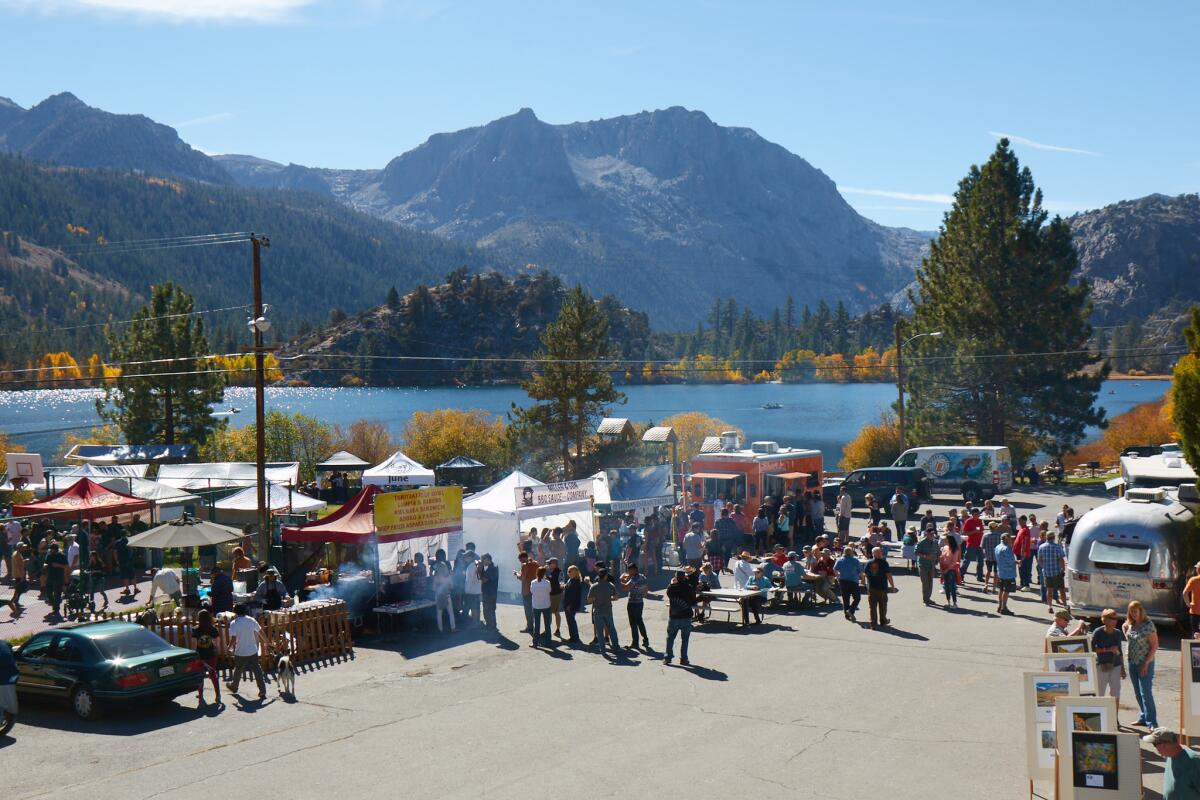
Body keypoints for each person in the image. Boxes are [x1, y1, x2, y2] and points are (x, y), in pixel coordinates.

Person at [1124, 600, 1159, 728]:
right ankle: (1143, 717)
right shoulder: (1130, 624)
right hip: (1132, 662)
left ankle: (1152, 723)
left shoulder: (1148, 625)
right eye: (1131, 611)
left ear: (1140, 611)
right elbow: (1125, 630)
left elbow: (1155, 645)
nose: (1133, 614)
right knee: (1138, 692)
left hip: (1145, 663)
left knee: (1146, 693)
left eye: (1135, 611)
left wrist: (1146, 662)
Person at [1143, 728, 1200, 798]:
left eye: (1154, 744)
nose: (1155, 748)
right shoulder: (1170, 755)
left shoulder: (1193, 761)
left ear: (1164, 745)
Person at [226, 603, 266, 699]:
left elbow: (233, 639)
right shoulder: (251, 620)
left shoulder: (234, 623)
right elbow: (260, 631)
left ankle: (234, 686)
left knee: (238, 670)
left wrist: (229, 647)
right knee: (257, 669)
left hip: (241, 651)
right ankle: (262, 690)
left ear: (235, 612)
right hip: (252, 650)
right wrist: (267, 642)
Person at [1091, 608, 1126, 707]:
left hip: (1116, 666)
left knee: (1115, 694)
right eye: (1111, 618)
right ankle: (1098, 716)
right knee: (1099, 693)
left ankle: (1114, 719)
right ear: (1104, 619)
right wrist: (1108, 649)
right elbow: (1091, 649)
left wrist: (1122, 669)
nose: (1115, 620)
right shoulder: (1098, 632)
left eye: (1115, 618)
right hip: (1101, 665)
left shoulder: (1118, 633)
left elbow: (1120, 652)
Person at [664, 569, 696, 665]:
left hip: (674, 616)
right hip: (686, 616)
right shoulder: (689, 587)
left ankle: (668, 657)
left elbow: (668, 592)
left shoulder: (671, 588)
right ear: (684, 577)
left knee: (670, 638)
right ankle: (683, 658)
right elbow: (693, 601)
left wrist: (671, 583)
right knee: (685, 639)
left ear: (676, 578)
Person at [587, 568, 621, 656]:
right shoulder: (610, 585)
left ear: (599, 576)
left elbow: (589, 600)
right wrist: (609, 598)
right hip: (608, 610)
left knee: (599, 630)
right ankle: (616, 647)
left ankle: (602, 649)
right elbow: (616, 597)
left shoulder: (594, 586)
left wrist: (596, 598)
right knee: (611, 629)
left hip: (597, 610)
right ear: (606, 576)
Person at [192, 608, 221, 705]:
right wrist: (215, 648)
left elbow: (194, 644)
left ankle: (200, 696)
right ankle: (218, 695)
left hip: (200, 656)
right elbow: (217, 641)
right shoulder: (212, 629)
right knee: (213, 675)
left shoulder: (196, 630)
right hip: (211, 654)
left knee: (200, 676)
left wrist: (194, 654)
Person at [621, 562, 650, 650]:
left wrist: (621, 580)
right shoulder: (642, 576)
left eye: (629, 570)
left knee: (633, 623)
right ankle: (645, 639)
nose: (628, 572)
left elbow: (626, 587)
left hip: (633, 603)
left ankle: (635, 642)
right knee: (639, 621)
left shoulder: (634, 578)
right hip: (640, 602)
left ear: (633, 570)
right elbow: (646, 589)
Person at [863, 546, 894, 629]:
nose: (881, 553)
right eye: (880, 552)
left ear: (873, 554)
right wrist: (892, 586)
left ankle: (873, 623)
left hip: (872, 588)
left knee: (872, 606)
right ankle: (883, 621)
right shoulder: (884, 563)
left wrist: (866, 583)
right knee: (883, 605)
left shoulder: (868, 563)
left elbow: (865, 574)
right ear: (879, 553)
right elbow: (888, 575)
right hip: (882, 587)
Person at [1037, 531, 1068, 613]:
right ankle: (1065, 605)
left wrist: (1044, 567)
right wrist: (1063, 569)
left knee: (1049, 590)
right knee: (1061, 590)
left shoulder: (1041, 547)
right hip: (1057, 572)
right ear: (1053, 537)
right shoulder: (1057, 547)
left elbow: (1039, 560)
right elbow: (1061, 559)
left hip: (1047, 572)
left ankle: (1050, 606)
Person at [834, 546, 862, 621]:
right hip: (853, 581)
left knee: (846, 598)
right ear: (851, 553)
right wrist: (859, 578)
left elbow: (835, 569)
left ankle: (846, 614)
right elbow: (860, 571)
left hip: (843, 581)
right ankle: (851, 610)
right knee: (857, 598)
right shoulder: (855, 561)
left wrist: (838, 577)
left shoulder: (840, 560)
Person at [994, 533, 1018, 615]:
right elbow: (1010, 561)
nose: (1011, 540)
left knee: (1001, 590)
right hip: (1008, 573)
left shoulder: (997, 547)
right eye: (1010, 539)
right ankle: (1004, 608)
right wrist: (1017, 562)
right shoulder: (1006, 549)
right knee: (1006, 591)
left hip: (1000, 571)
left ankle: (1000, 606)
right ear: (1005, 539)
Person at [431, 550, 455, 632]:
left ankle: (440, 630)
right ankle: (453, 628)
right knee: (450, 613)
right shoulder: (448, 576)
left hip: (438, 596)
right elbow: (452, 586)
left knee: (439, 614)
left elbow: (433, 588)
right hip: (447, 595)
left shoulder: (436, 577)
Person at [562, 564, 586, 644]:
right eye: (568, 571)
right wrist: (564, 586)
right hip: (568, 604)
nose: (568, 573)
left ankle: (574, 638)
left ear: (574, 572)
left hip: (571, 605)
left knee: (571, 621)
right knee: (570, 621)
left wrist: (569, 605)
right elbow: (568, 589)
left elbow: (573, 595)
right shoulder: (571, 580)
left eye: (570, 571)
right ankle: (573, 637)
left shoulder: (575, 582)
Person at [528, 566, 552, 647]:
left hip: (536, 605)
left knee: (537, 625)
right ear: (544, 574)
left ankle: (535, 643)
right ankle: (548, 642)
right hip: (546, 605)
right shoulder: (547, 582)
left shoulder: (533, 582)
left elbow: (531, 591)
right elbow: (549, 591)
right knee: (547, 625)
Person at [915, 528, 939, 605]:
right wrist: (925, 556)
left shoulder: (935, 542)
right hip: (923, 565)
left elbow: (938, 551)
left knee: (930, 582)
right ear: (927, 534)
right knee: (925, 583)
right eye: (931, 534)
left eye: (933, 534)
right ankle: (925, 599)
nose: (933, 535)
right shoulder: (921, 542)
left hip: (932, 565)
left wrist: (939, 557)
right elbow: (916, 552)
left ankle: (928, 598)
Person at [43, 541, 68, 616]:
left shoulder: (62, 556)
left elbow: (66, 566)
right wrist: (45, 565)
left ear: (55, 549)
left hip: (58, 577)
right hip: (50, 576)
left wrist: (58, 565)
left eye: (52, 549)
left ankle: (56, 609)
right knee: (48, 592)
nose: (50, 550)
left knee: (57, 594)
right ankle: (54, 604)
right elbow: (46, 562)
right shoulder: (50, 556)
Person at [960, 508, 985, 582]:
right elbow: (964, 533)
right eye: (976, 514)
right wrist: (974, 531)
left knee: (981, 561)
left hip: (979, 544)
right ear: (973, 514)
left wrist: (980, 533)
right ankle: (961, 575)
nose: (977, 515)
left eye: (978, 514)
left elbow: (982, 530)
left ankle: (979, 576)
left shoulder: (980, 521)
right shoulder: (968, 521)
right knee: (967, 561)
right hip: (971, 544)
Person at [938, 534, 960, 608]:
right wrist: (941, 567)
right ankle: (948, 601)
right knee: (946, 585)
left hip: (951, 570)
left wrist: (946, 570)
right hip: (944, 568)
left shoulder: (955, 549)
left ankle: (954, 602)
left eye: (945, 539)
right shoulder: (945, 547)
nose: (944, 540)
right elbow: (941, 557)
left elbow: (954, 562)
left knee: (952, 586)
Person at [478, 554, 498, 632]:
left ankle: (490, 625)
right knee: (491, 609)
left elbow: (484, 580)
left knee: (487, 610)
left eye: (483, 560)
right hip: (492, 592)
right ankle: (492, 625)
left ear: (487, 559)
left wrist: (480, 569)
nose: (482, 562)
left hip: (489, 593)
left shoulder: (491, 569)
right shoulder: (493, 567)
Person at [980, 522, 1002, 593]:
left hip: (988, 556)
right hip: (997, 557)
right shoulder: (999, 536)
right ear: (995, 527)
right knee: (996, 573)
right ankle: (994, 588)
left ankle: (986, 584)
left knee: (988, 571)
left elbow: (982, 546)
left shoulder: (985, 535)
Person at [1013, 515, 1034, 590]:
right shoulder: (1022, 529)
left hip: (1023, 553)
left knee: (1024, 569)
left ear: (1024, 521)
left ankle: (1026, 585)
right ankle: (1022, 584)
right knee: (1021, 569)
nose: (1019, 522)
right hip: (1019, 553)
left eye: (1020, 520)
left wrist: (1023, 553)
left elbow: (1024, 543)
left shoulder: (1025, 530)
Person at [7, 542, 28, 613]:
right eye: (23, 547)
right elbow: (18, 566)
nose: (24, 548)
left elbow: (20, 563)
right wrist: (22, 576)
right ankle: (12, 601)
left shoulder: (17, 553)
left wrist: (24, 561)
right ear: (19, 547)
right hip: (19, 575)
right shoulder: (17, 555)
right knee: (18, 589)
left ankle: (15, 601)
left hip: (18, 574)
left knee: (19, 589)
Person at [463, 551, 482, 625]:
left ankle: (475, 623)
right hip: (477, 590)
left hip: (471, 591)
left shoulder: (471, 566)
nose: (464, 558)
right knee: (477, 607)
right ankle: (477, 621)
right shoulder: (476, 565)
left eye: (466, 556)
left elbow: (469, 580)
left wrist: (466, 590)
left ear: (470, 557)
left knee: (473, 608)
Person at [1183, 562, 1200, 636]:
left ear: (1197, 570)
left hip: (1195, 611)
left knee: (1196, 634)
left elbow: (1185, 593)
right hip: (1195, 611)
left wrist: (1188, 604)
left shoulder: (1194, 580)